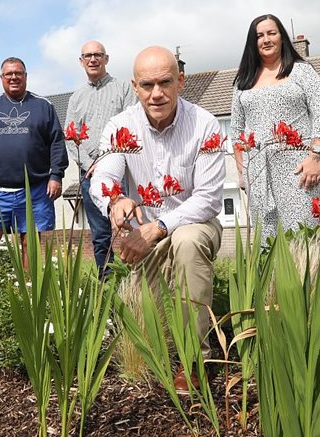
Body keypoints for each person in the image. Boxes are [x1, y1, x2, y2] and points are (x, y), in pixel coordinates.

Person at [90, 46, 225, 393]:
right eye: (147, 85)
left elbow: (208, 198)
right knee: (145, 329)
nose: (157, 93)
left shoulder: (205, 124)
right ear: (134, 87)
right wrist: (115, 200)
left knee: (186, 241)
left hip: (194, 224)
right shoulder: (120, 126)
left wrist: (160, 227)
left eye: (165, 82)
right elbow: (103, 176)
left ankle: (193, 360)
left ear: (180, 81)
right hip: (144, 235)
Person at [230, 14, 320, 241]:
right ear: (252, 42)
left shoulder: (302, 71)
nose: (266, 40)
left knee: (301, 238)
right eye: (259, 35)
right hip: (258, 173)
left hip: (299, 171)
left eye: (271, 33)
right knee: (265, 244)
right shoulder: (242, 81)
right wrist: (242, 172)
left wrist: (315, 157)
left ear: (282, 37)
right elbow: (236, 131)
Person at [0, 57, 69, 266]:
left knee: (30, 245)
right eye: (8, 74)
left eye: (18, 73)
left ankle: (29, 291)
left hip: (35, 190)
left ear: (26, 77)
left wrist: (56, 175)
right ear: (1, 78)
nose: (13, 77)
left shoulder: (43, 106)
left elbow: (57, 142)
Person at [65, 40, 136, 278]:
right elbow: (70, 136)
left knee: (129, 229)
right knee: (100, 236)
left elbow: (132, 125)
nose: (93, 59)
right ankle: (107, 285)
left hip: (122, 172)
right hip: (90, 174)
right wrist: (89, 165)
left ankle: (135, 282)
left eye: (98, 55)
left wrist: (112, 160)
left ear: (107, 59)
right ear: (81, 61)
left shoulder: (124, 88)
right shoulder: (76, 98)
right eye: (87, 55)